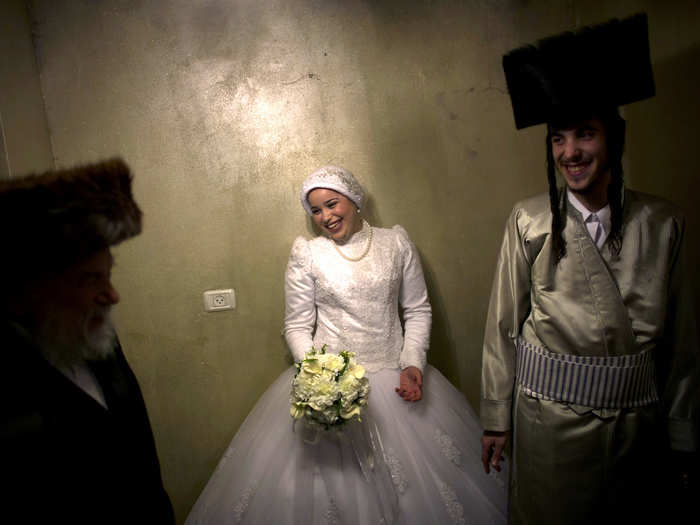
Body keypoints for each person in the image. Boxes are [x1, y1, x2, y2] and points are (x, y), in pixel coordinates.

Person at [186, 165, 507, 524]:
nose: (325, 216)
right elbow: (296, 325)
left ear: (354, 200)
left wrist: (413, 363)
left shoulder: (396, 242)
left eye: (332, 204)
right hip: (331, 389)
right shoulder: (308, 254)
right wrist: (318, 378)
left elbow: (417, 309)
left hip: (394, 377)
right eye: (316, 210)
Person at [480, 13, 699, 524]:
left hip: (637, 428)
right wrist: (496, 416)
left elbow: (682, 342)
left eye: (585, 134)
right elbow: (503, 326)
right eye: (558, 138)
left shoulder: (663, 224)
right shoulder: (529, 221)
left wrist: (683, 432)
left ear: (613, 140)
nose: (570, 152)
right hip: (547, 423)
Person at [0, 159, 174, 524]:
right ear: (30, 289)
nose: (112, 296)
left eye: (108, 275)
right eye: (90, 280)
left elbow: (139, 457)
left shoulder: (96, 337)